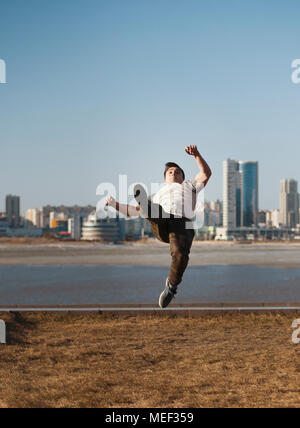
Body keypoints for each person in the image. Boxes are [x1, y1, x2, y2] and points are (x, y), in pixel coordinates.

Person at [105, 145, 212, 308]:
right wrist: (114, 204)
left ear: (182, 177)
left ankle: (171, 287)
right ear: (165, 178)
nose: (174, 173)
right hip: (161, 222)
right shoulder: (156, 194)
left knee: (181, 255)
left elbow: (206, 174)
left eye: (177, 172)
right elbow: (133, 211)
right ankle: (148, 208)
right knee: (151, 208)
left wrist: (196, 155)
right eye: (170, 172)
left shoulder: (189, 186)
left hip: (182, 225)